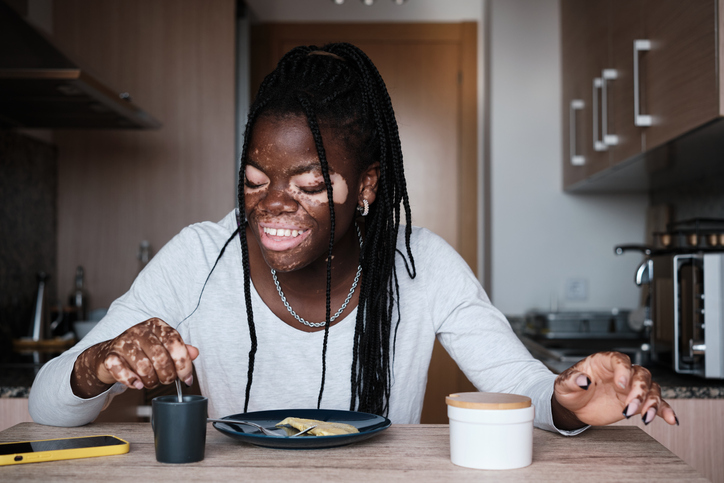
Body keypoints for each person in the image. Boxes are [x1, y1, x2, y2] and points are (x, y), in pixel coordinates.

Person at [29, 43, 677, 433]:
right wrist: (98, 362)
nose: (273, 205)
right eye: (255, 180)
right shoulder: (200, 257)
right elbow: (47, 404)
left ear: (367, 185)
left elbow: (525, 389)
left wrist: (572, 398)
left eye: (310, 184)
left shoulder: (421, 265)